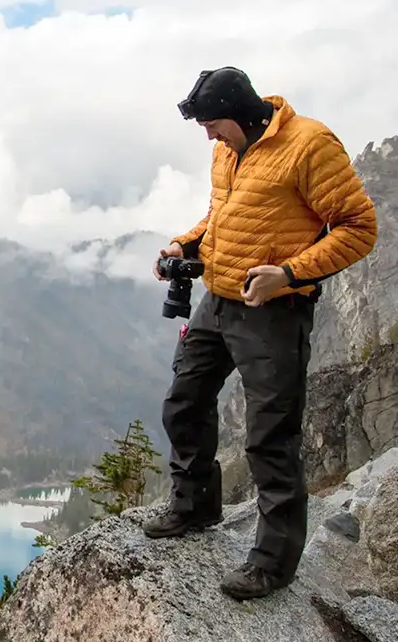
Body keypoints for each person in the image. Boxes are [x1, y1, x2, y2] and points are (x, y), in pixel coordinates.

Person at [149, 67, 377, 600]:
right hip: (219, 300)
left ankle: (272, 564)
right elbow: (223, 217)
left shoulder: (309, 145)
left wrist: (290, 274)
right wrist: (186, 246)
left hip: (274, 311)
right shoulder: (228, 149)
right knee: (184, 403)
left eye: (212, 124)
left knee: (269, 437)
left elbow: (358, 228)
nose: (208, 135)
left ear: (242, 111)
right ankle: (194, 505)